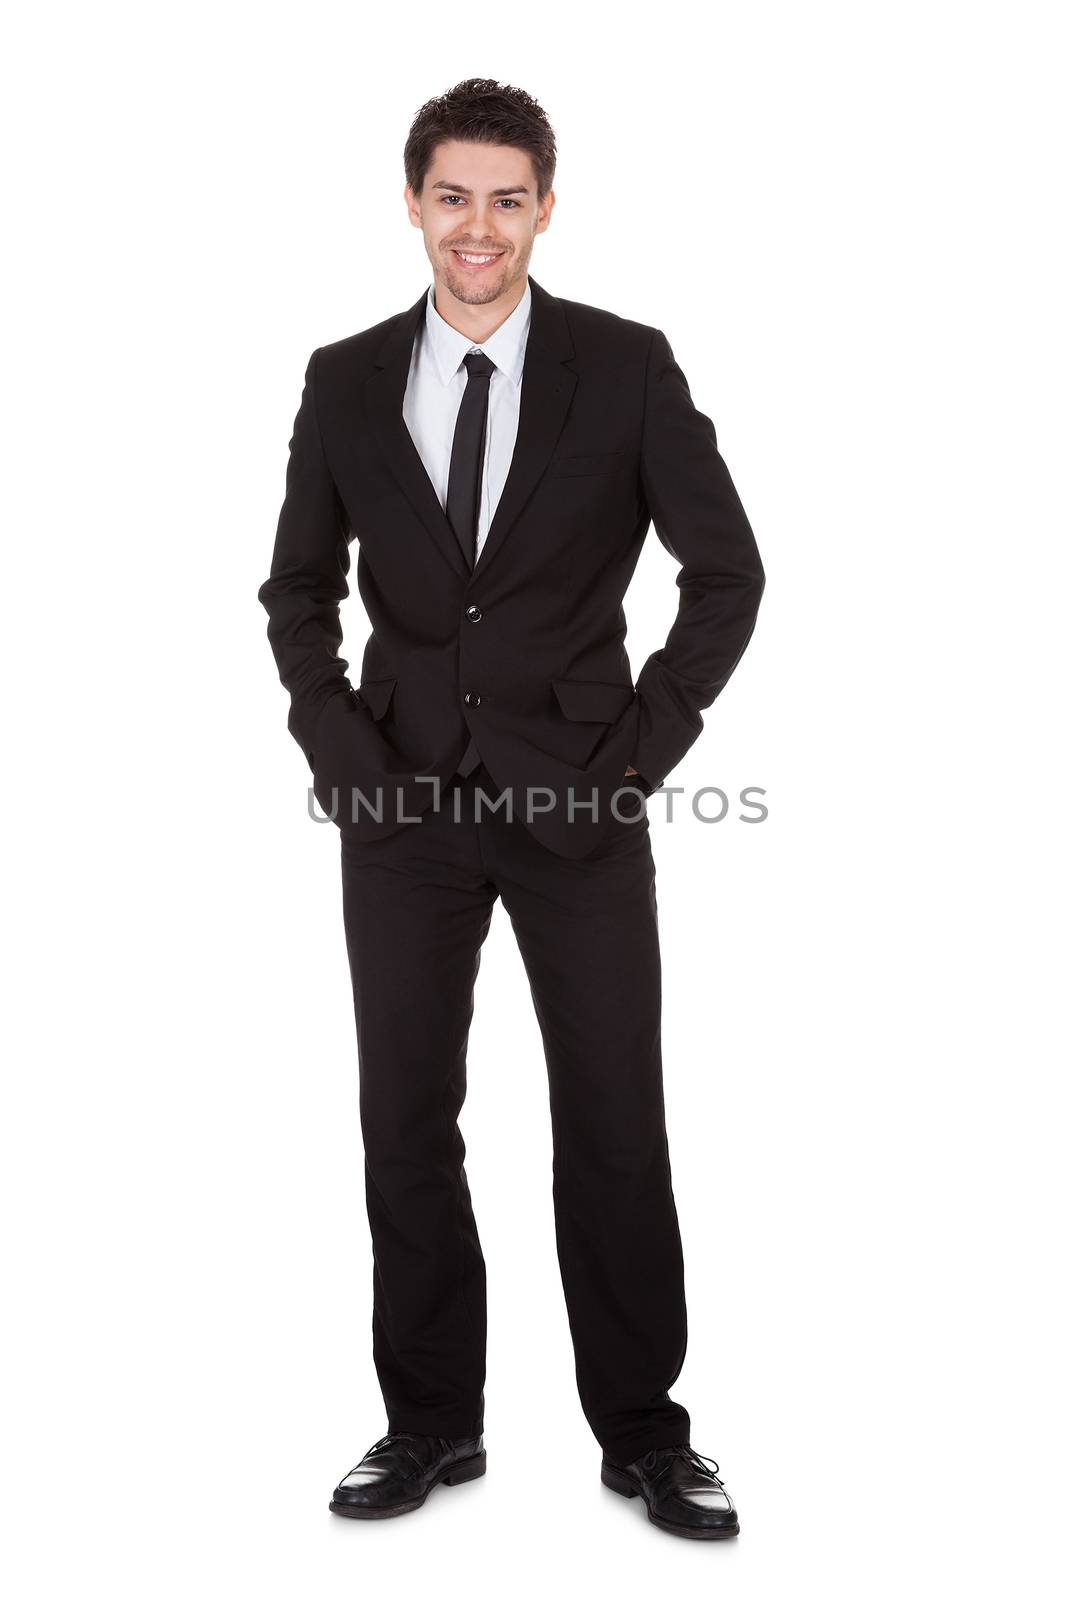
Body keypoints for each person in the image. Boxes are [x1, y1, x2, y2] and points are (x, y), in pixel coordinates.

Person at [258, 76, 764, 1539]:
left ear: (547, 206)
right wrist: (343, 755)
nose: (477, 229)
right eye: (451, 197)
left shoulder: (625, 368)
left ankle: (646, 1433)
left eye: (507, 198)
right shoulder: (346, 377)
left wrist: (636, 755)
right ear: (412, 203)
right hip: (398, 813)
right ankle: (430, 1425)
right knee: (406, 1120)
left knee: (614, 1117)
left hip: (581, 810)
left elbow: (727, 575)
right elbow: (299, 590)